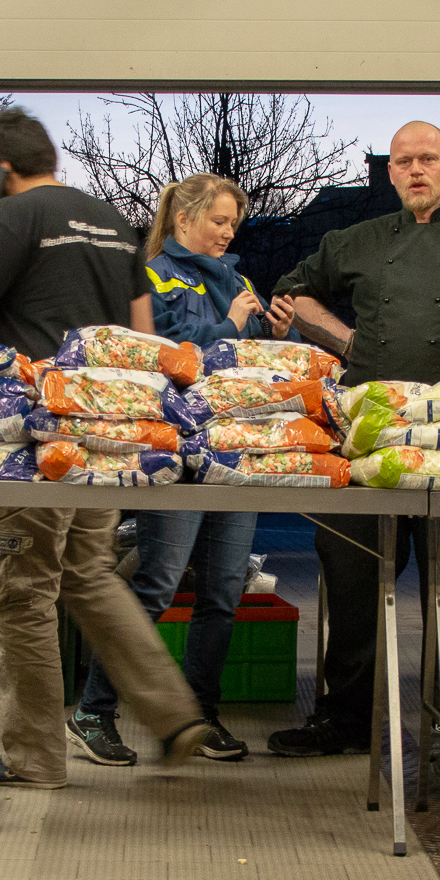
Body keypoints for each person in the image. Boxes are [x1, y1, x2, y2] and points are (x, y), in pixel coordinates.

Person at [0, 107, 210, 788]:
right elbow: (144, 338)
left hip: (37, 442)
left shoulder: (12, 217)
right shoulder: (112, 221)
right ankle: (175, 714)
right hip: (104, 438)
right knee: (90, 574)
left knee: (21, 589)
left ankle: (33, 759)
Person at [263, 122, 440, 759]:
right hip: (370, 440)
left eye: (427, 159)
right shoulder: (355, 241)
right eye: (403, 161)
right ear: (389, 172)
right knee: (351, 577)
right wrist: (346, 341)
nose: (416, 170)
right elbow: (292, 293)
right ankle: (348, 717)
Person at [67, 173, 293, 767]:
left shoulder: (239, 282)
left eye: (233, 223)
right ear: (183, 219)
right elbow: (160, 351)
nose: (228, 232)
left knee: (223, 591)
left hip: (236, 453)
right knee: (158, 583)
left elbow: (250, 363)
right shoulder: (153, 276)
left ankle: (201, 715)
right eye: (218, 221)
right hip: (177, 450)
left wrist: (276, 331)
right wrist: (229, 325)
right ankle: (93, 712)